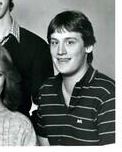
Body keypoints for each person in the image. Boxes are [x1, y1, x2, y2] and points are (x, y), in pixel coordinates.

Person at [33, 10, 115, 145]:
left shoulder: (107, 94)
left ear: (88, 46)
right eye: (54, 42)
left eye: (70, 42)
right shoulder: (46, 90)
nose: (60, 51)